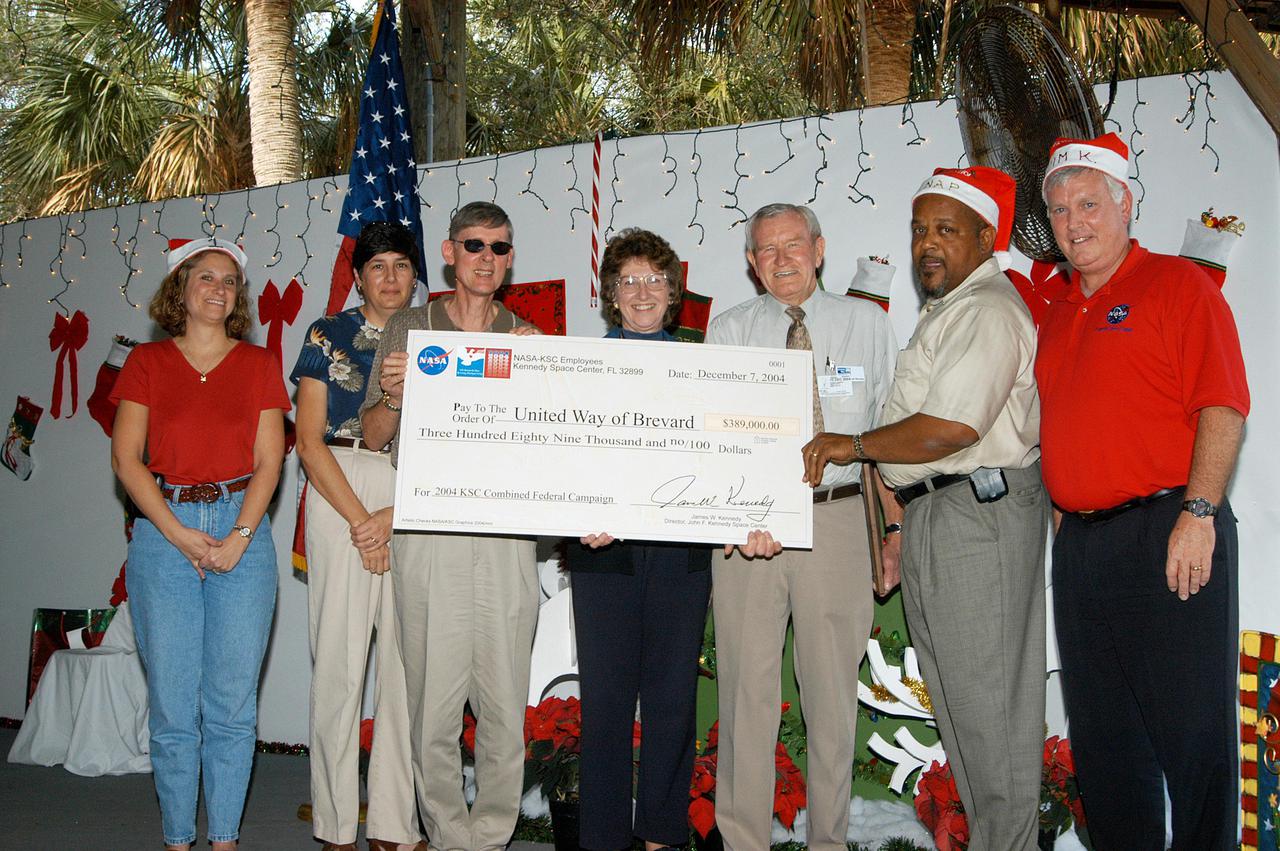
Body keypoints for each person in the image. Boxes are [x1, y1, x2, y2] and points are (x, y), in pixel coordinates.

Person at [805, 166, 1048, 850]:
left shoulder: (990, 310)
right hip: (945, 515)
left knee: (991, 716)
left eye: (945, 229)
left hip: (982, 519)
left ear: (985, 236)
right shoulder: (951, 313)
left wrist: (851, 445)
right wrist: (902, 523)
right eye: (918, 231)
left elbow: (951, 429)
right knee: (966, 714)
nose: (927, 245)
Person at [1037, 133, 1249, 850]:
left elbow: (1222, 407)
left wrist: (1199, 511)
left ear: (1126, 203)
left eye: (1090, 202)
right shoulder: (1057, 312)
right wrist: (1069, 521)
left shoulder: (1178, 286)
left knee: (1194, 744)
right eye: (1062, 208)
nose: (1076, 221)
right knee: (1104, 749)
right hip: (1082, 551)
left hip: (1171, 530)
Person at [705, 203, 897, 851]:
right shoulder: (729, 330)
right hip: (748, 532)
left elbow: (886, 436)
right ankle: (743, 840)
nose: (782, 258)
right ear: (752, 265)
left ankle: (830, 841)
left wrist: (889, 532)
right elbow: (715, 435)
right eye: (767, 250)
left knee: (832, 698)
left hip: (838, 520)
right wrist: (741, 512)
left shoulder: (867, 324)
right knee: (745, 694)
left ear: (819, 249)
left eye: (793, 245)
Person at [360, 201, 540, 851]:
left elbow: (551, 445)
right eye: (473, 245)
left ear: (510, 257)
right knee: (432, 706)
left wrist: (544, 377)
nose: (485, 257)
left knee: (501, 705)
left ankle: (487, 837)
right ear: (449, 251)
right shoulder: (410, 327)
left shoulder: (528, 338)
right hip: (429, 530)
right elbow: (373, 434)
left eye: (498, 246)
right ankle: (447, 832)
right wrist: (393, 395)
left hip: (505, 537)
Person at [110, 237, 289, 851]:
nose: (218, 289)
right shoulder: (147, 364)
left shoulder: (260, 366)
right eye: (205, 277)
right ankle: (179, 839)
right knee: (172, 706)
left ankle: (226, 841)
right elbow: (127, 461)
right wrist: (177, 531)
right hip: (165, 536)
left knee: (232, 707)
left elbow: (270, 462)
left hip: (245, 535)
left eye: (230, 281)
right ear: (180, 289)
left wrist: (240, 534)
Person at [567, 228, 712, 851]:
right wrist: (578, 511)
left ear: (672, 291)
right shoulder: (579, 369)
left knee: (672, 700)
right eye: (629, 280)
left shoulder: (707, 366)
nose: (643, 291)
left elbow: (723, 455)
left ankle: (660, 836)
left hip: (681, 553)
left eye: (654, 278)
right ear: (611, 294)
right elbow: (558, 456)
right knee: (604, 705)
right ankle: (602, 839)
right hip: (604, 554)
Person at [291, 222, 425, 851]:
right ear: (359, 274)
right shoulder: (327, 332)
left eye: (402, 264)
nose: (391, 277)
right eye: (378, 266)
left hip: (417, 492)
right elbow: (307, 441)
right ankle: (336, 824)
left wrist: (393, 517)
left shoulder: (440, 333)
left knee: (405, 669)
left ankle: (396, 825)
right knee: (341, 665)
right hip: (338, 484)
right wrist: (360, 522)